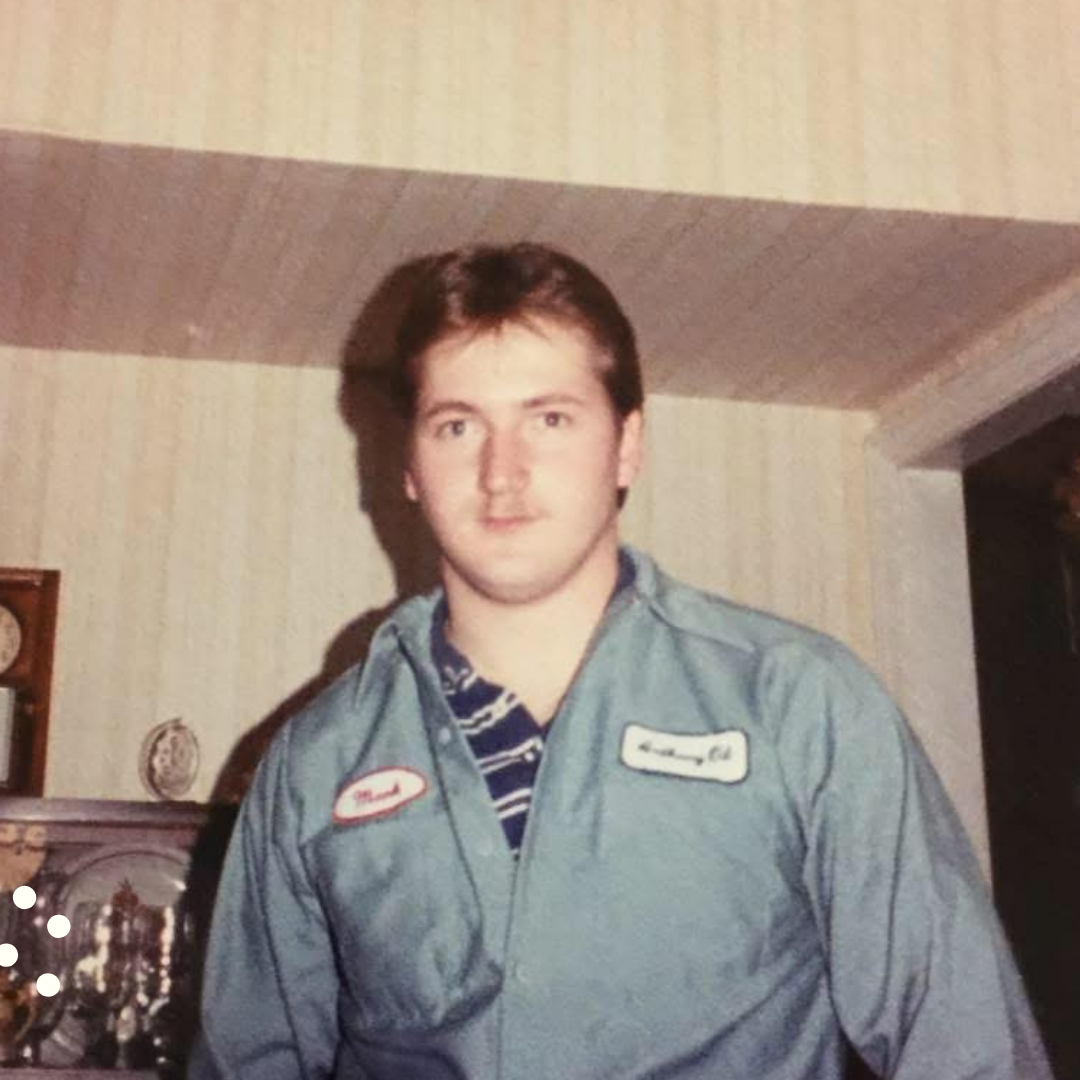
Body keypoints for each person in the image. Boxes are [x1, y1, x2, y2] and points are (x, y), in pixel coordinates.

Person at [188, 242, 1053, 1080]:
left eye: (550, 418)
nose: (503, 471)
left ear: (627, 445)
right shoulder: (314, 764)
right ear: (410, 464)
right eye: (458, 426)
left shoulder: (800, 704)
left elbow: (965, 1048)